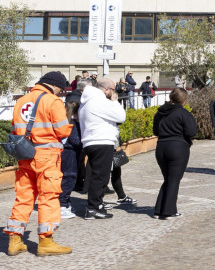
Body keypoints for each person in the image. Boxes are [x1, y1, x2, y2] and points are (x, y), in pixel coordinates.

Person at [4, 71, 73, 256]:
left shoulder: (21, 101)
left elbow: (15, 129)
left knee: (24, 198)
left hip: (25, 155)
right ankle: (45, 242)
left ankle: (14, 240)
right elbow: (62, 131)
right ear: (55, 85)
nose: (60, 93)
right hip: (47, 157)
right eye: (61, 89)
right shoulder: (52, 101)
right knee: (48, 197)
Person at [79, 78, 126, 220]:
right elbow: (121, 116)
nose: (113, 92)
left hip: (90, 141)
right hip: (101, 141)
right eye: (113, 90)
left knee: (95, 175)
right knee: (101, 177)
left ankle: (95, 205)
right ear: (106, 89)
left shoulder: (87, 101)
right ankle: (94, 208)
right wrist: (114, 101)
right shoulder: (99, 101)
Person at [153, 88, 197, 220]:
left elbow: (156, 131)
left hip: (161, 147)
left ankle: (159, 210)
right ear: (184, 100)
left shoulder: (159, 112)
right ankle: (168, 211)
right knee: (173, 180)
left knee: (168, 179)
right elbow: (191, 132)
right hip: (178, 147)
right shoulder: (183, 113)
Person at [59, 88, 83, 220]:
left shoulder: (64, 119)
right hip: (70, 153)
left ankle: (65, 203)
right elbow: (75, 141)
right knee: (69, 177)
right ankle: (62, 204)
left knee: (66, 177)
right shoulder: (73, 123)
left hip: (65, 152)